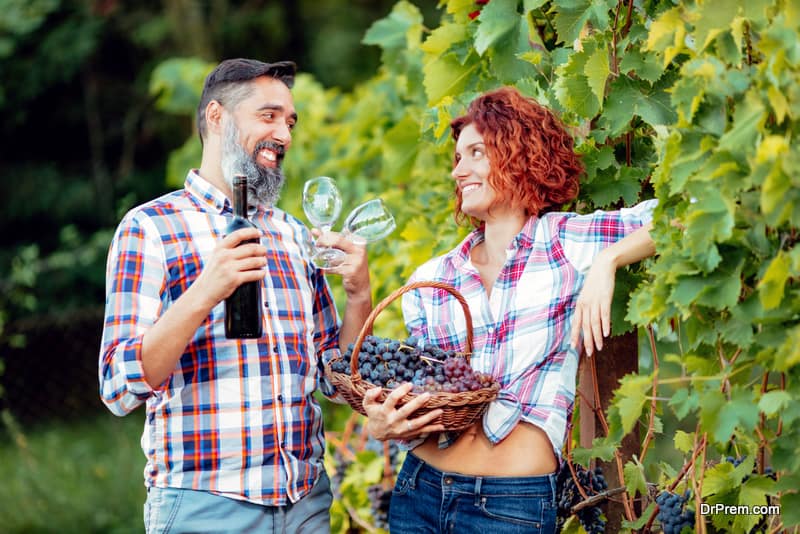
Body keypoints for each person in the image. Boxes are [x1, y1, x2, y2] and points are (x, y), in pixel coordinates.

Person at [361, 86, 657, 533]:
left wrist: (608, 259)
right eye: (458, 158)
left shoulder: (565, 243)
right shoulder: (432, 279)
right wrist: (385, 422)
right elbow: (426, 394)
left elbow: (680, 213)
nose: (459, 171)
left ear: (519, 153)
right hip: (419, 491)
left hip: (512, 504)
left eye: (476, 153)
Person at [98, 58, 372, 533]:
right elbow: (119, 387)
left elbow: (338, 380)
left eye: (289, 121)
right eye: (267, 116)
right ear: (216, 117)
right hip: (206, 508)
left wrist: (359, 296)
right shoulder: (151, 229)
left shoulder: (292, 236)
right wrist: (206, 291)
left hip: (305, 503)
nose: (284, 134)